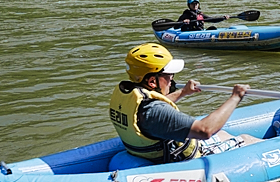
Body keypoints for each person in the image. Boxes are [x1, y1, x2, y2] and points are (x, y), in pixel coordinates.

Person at [109, 43, 260, 163]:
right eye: (169, 75)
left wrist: (183, 92)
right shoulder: (156, 111)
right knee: (246, 139)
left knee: (223, 134)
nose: (172, 79)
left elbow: (152, 106)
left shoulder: (130, 94)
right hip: (180, 159)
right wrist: (235, 97)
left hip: (150, 150)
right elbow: (205, 130)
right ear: (152, 81)